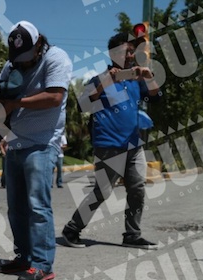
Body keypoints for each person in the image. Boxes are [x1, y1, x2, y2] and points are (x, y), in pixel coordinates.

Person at [62, 32, 161, 250]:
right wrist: (109, 79)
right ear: (114, 53)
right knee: (103, 191)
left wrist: (147, 75)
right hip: (108, 145)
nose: (131, 55)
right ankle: (72, 229)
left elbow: (155, 95)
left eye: (132, 51)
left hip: (133, 144)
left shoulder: (135, 81)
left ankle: (132, 235)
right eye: (127, 51)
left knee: (137, 188)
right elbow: (83, 105)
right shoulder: (98, 79)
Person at [0, 20, 72, 280]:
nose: (23, 63)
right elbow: (0, 96)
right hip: (16, 142)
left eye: (27, 56)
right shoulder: (11, 65)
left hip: (43, 142)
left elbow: (55, 97)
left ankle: (42, 264)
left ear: (39, 44)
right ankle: (24, 257)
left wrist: (14, 102)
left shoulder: (56, 58)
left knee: (37, 206)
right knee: (16, 208)